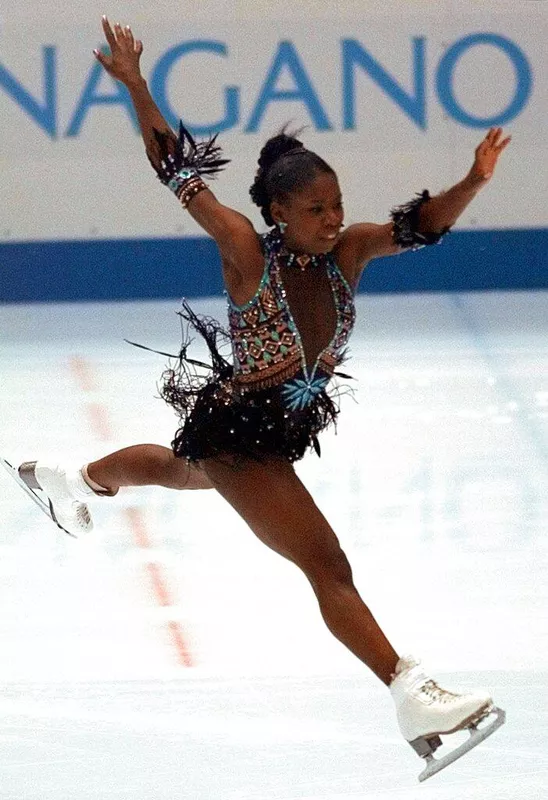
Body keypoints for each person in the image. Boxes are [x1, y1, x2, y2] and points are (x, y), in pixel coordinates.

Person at [16, 17, 511, 774]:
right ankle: (410, 691)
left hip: (275, 428)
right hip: (241, 437)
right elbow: (179, 173)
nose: (333, 219)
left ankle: (67, 479)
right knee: (327, 563)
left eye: (337, 205)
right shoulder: (248, 252)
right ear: (281, 211)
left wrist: (473, 181)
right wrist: (138, 88)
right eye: (316, 210)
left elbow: (419, 227)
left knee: (176, 470)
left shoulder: (348, 252)